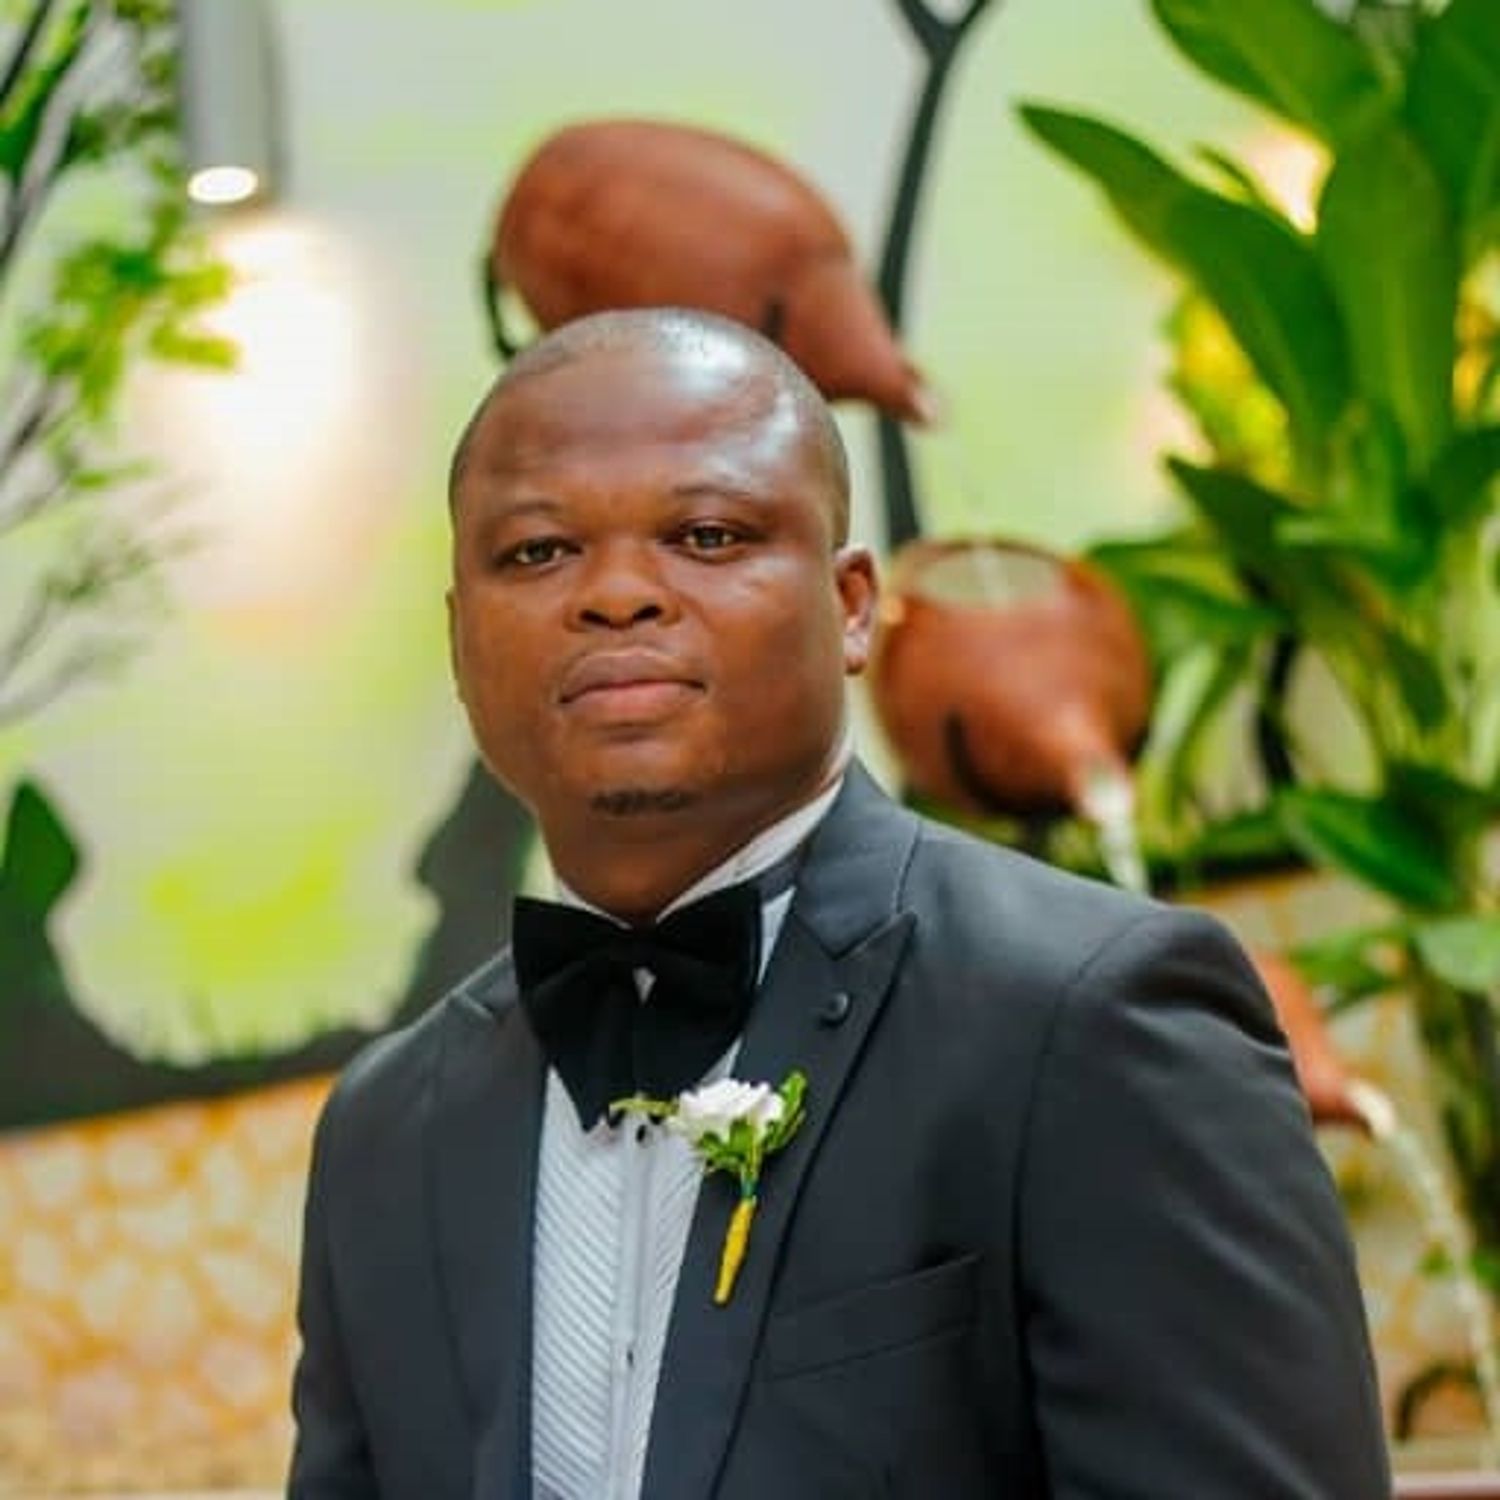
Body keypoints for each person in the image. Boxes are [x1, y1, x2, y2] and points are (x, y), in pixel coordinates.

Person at [289, 307, 1390, 1498]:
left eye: (707, 535)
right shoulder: (387, 1129)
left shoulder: (1089, 1019)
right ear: (460, 639)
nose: (617, 594)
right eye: (539, 552)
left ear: (852, 604)